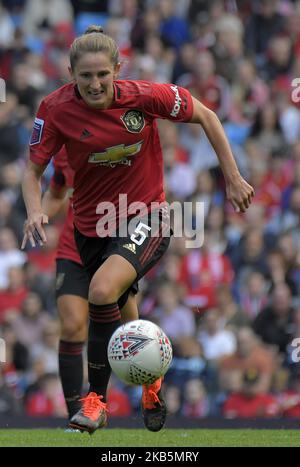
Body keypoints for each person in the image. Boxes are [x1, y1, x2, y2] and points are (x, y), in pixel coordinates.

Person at [21, 25, 254, 434]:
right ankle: (151, 384)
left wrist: (232, 177)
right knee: (126, 321)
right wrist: (35, 209)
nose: (94, 84)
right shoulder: (54, 109)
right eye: (85, 76)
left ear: (117, 70)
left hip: (149, 215)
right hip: (91, 228)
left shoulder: (147, 96)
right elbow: (33, 171)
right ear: (71, 73)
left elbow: (207, 115)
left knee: (99, 292)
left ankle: (95, 402)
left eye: (102, 75)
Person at [39, 146, 139, 425]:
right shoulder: (66, 151)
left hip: (113, 249)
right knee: (72, 325)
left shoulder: (119, 145)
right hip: (73, 250)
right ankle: (77, 413)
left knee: (132, 332)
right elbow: (57, 194)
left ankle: (152, 392)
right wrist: (40, 215)